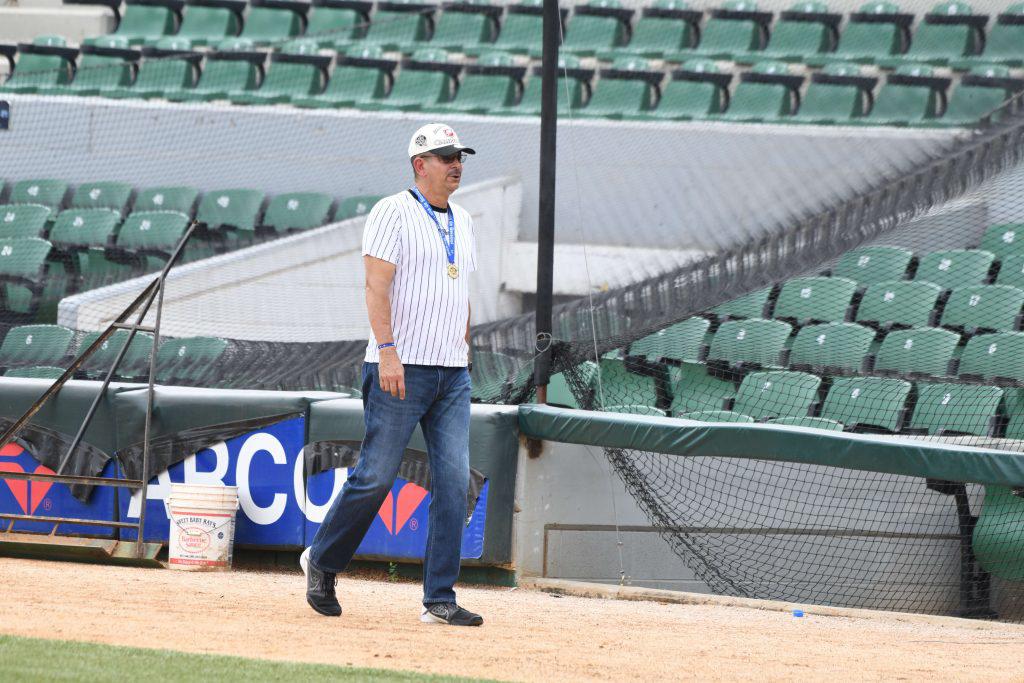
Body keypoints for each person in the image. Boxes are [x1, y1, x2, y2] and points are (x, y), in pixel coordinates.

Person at [300, 123, 482, 627]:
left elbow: (460, 291)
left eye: (460, 156)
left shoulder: (465, 220)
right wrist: (387, 352)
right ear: (420, 165)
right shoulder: (391, 211)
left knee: (453, 483)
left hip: (451, 372)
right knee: (376, 476)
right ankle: (322, 561)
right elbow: (375, 288)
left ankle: (439, 598)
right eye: (446, 157)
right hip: (400, 366)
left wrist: (464, 348)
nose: (456, 165)